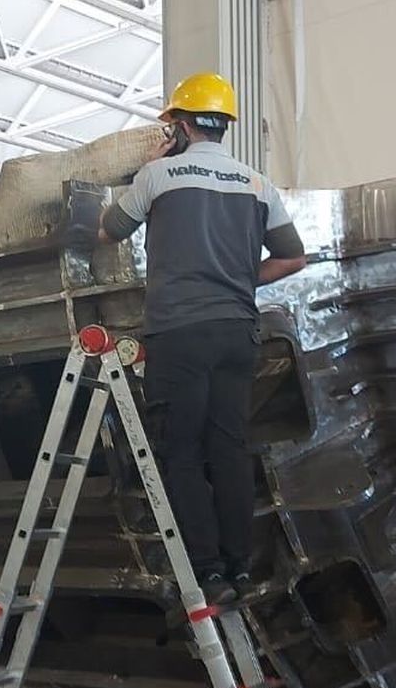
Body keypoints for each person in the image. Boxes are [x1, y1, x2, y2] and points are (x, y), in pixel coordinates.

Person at [98, 72, 308, 605]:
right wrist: (239, 279)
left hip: (178, 332)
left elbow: (107, 231)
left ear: (182, 125)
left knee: (183, 453)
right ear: (223, 126)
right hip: (238, 332)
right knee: (230, 449)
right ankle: (241, 569)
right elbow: (292, 258)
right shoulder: (257, 184)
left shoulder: (158, 175)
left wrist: (148, 167)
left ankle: (208, 573)